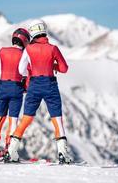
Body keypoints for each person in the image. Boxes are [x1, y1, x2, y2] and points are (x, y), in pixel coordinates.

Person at [4, 19, 71, 164]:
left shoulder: (28, 49)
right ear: (44, 31)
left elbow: (21, 70)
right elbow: (64, 68)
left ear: (33, 32)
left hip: (34, 85)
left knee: (26, 118)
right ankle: (63, 154)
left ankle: (11, 151)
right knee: (56, 119)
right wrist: (53, 65)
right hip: (50, 85)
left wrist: (32, 68)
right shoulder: (53, 48)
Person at [0, 28, 30, 159]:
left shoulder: (1, 52)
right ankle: (9, 150)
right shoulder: (24, 54)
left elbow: (0, 70)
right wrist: (25, 86)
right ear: (25, 40)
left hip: (2, 86)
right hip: (16, 87)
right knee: (13, 120)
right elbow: (25, 73)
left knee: (0, 117)